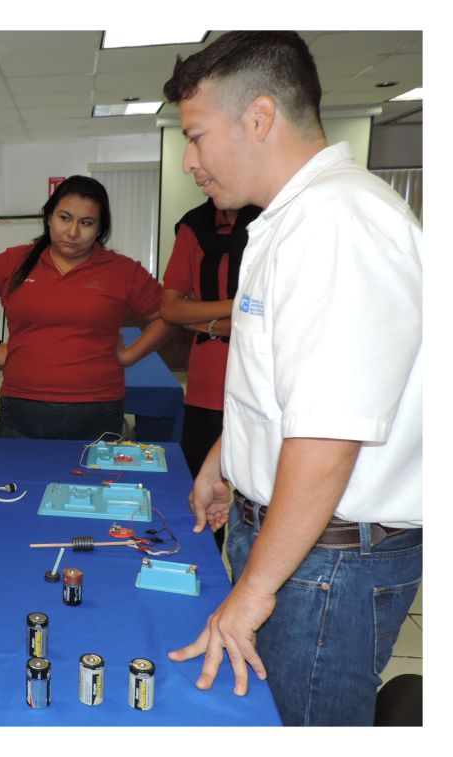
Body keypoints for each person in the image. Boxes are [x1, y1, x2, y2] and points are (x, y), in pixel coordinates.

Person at [162, 32, 422, 726]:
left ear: (259, 117)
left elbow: (329, 438)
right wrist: (229, 458)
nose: (189, 162)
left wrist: (253, 592)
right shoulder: (290, 220)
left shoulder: (337, 223)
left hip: (326, 563)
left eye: (195, 136)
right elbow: (284, 384)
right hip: (298, 542)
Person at [0, 175, 172, 440]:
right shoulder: (15, 261)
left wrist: (129, 355)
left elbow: (168, 316)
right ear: (49, 217)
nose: (73, 232)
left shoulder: (123, 271)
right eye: (64, 218)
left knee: (91, 471)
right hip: (21, 405)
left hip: (97, 408)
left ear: (100, 228)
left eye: (86, 223)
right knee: (13, 469)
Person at [160, 197, 261, 552]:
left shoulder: (274, 219)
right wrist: (245, 309)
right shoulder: (195, 225)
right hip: (206, 384)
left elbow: (286, 312)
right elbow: (171, 309)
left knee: (259, 499)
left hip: (261, 383)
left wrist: (206, 321)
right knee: (201, 498)